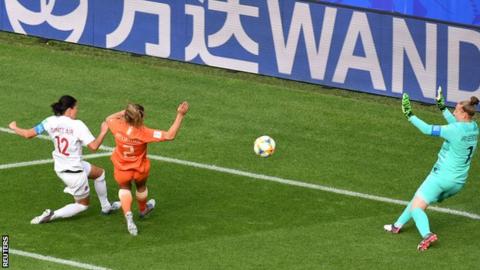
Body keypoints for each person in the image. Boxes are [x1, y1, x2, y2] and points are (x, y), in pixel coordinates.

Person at [384, 87, 479, 251]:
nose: (454, 113)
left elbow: (427, 129)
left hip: (441, 178)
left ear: (464, 114)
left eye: (456, 111)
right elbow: (455, 124)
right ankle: (396, 226)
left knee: (417, 208)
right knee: (418, 197)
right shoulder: (473, 127)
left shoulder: (454, 130)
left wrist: (409, 115)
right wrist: (442, 108)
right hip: (458, 182)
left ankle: (427, 235)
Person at [9, 95, 120, 224]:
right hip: (74, 172)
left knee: (99, 173)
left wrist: (14, 127)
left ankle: (106, 207)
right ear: (69, 109)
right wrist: (103, 131)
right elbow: (94, 146)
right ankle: (51, 215)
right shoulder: (77, 125)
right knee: (82, 205)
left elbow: (28, 134)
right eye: (76, 108)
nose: (77, 111)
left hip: (62, 167)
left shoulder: (49, 121)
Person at [105, 101, 189, 236]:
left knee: (124, 188)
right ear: (141, 117)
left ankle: (128, 214)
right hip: (139, 169)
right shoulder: (144, 133)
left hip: (121, 168)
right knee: (141, 187)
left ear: (126, 116)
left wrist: (125, 112)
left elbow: (108, 118)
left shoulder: (116, 125)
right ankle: (143, 209)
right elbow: (169, 135)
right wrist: (180, 114)